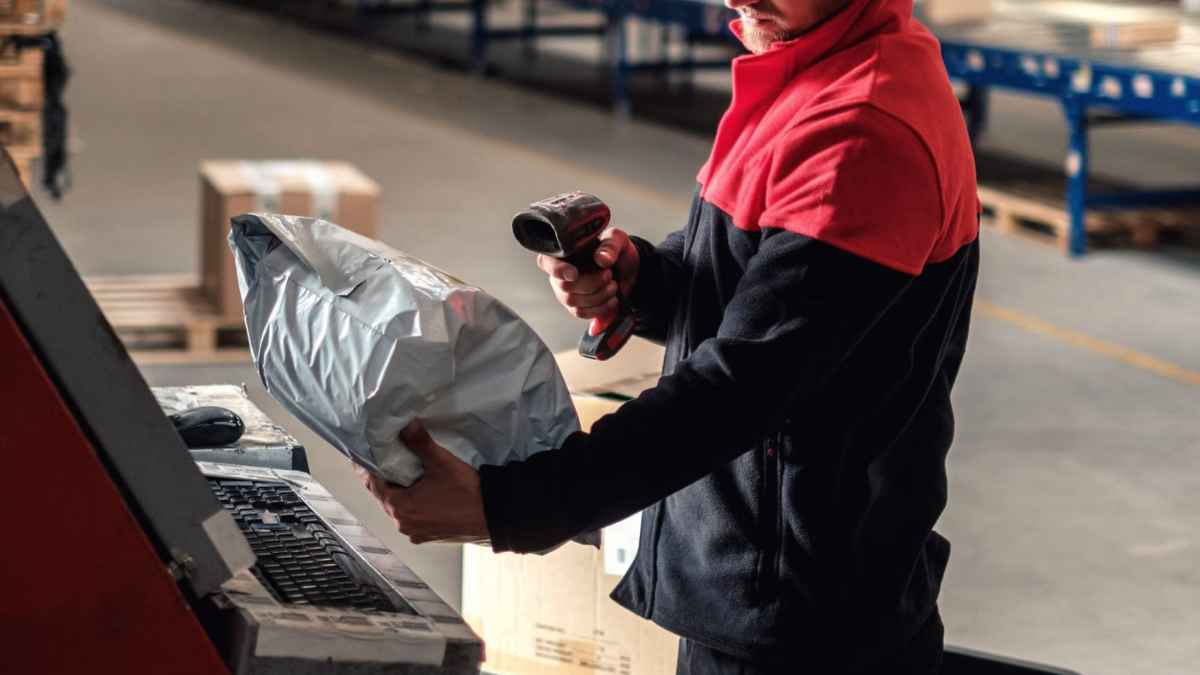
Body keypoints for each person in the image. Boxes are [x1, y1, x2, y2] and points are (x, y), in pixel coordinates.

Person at [359, 0, 980, 672]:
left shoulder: (863, 130)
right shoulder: (811, 70)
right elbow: (768, 285)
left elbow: (737, 392)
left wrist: (509, 506)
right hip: (772, 590)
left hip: (805, 627)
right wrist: (647, 280)